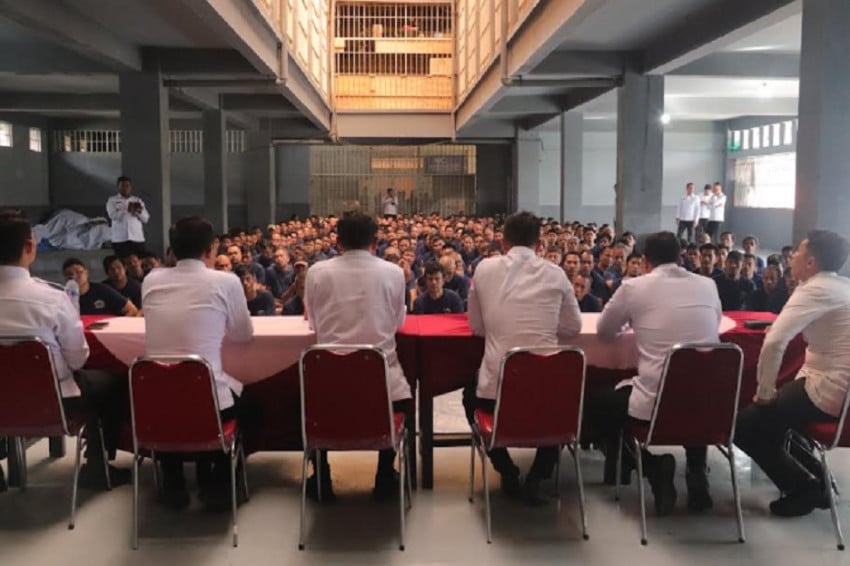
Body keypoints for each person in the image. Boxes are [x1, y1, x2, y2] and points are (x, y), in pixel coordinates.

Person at [584, 231, 722, 515]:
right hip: (709, 402)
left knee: (595, 404)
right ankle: (697, 476)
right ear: (681, 258)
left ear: (645, 261)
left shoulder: (634, 287)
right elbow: (716, 322)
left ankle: (652, 467)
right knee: (693, 385)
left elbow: (605, 331)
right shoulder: (707, 284)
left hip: (658, 402)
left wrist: (634, 321)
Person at [0, 209, 129, 489]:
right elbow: (78, 358)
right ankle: (97, 466)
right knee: (112, 382)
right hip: (55, 401)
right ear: (30, 247)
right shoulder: (52, 298)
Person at [465, 211, 582, 503]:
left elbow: (476, 327)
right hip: (547, 392)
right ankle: (539, 475)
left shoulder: (484, 269)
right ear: (539, 245)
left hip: (496, 393)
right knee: (563, 409)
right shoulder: (556, 273)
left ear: (503, 243)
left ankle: (506, 470)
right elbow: (573, 327)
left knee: (470, 397)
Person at [142, 216, 254, 510]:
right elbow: (242, 335)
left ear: (172, 250)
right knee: (250, 403)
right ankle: (220, 480)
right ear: (211, 248)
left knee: (174, 403)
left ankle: (173, 480)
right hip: (210, 401)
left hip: (155, 400)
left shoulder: (151, 280)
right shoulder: (226, 281)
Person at [735, 230, 850, 517]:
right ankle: (819, 479)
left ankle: (803, 488)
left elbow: (775, 342)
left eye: (798, 251)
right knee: (774, 419)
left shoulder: (813, 289)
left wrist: (764, 392)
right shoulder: (843, 286)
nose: (793, 256)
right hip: (843, 391)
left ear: (811, 262)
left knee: (744, 424)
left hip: (828, 388)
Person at [304, 212, 411, 501]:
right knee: (402, 398)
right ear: (375, 242)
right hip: (381, 385)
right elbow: (397, 322)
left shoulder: (317, 272)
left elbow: (313, 322)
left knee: (308, 402)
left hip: (328, 387)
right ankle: (385, 475)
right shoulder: (393, 272)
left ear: (338, 242)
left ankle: (321, 477)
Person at [62, 258, 139, 317]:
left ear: (86, 273)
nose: (75, 277)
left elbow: (131, 309)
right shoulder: (62, 298)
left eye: (79, 272)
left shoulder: (102, 290)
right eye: (70, 274)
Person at [106, 175, 149, 258]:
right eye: (122, 186)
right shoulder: (112, 200)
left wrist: (138, 212)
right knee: (122, 261)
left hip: (137, 238)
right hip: (120, 239)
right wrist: (126, 210)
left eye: (127, 186)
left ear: (131, 187)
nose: (125, 188)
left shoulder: (137, 200)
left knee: (140, 261)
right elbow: (113, 216)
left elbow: (146, 219)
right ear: (118, 187)